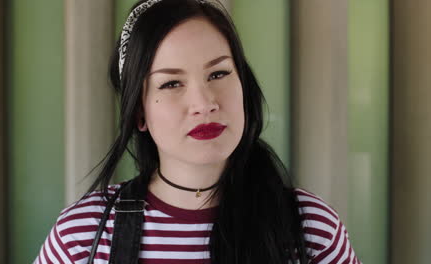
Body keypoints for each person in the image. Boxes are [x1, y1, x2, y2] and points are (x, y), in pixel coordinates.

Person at [34, 0, 361, 263]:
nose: (204, 103)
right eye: (171, 83)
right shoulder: (84, 237)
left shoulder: (310, 231)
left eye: (218, 74)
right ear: (139, 112)